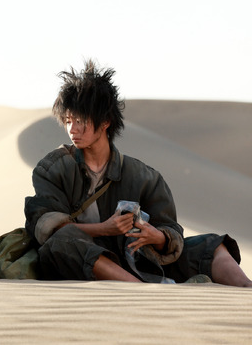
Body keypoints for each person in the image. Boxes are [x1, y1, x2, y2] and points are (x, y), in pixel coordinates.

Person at [24, 59, 251, 286]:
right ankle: (145, 292)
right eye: (67, 121)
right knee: (62, 242)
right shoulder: (52, 169)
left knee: (211, 245)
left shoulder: (144, 177)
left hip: (137, 260)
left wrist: (157, 236)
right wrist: (104, 229)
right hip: (80, 261)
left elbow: (171, 231)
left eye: (80, 120)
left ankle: (246, 291)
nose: (72, 129)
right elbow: (47, 229)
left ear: (105, 122)